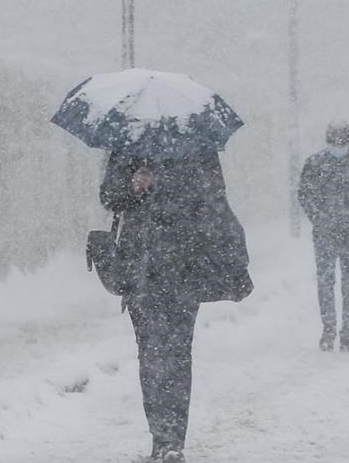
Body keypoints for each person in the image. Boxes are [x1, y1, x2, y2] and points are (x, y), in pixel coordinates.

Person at [99, 148, 253, 463]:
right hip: (140, 268)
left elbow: (213, 201)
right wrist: (132, 186)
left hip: (185, 267)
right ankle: (162, 438)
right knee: (151, 353)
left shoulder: (198, 148)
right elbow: (109, 198)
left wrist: (171, 190)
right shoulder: (127, 147)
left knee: (178, 353)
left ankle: (173, 442)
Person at [298, 121, 349, 352]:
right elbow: (304, 195)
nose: (338, 147)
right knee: (326, 283)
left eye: (342, 143)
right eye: (334, 143)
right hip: (325, 233)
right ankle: (329, 328)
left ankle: (347, 333)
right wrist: (318, 217)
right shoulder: (315, 163)